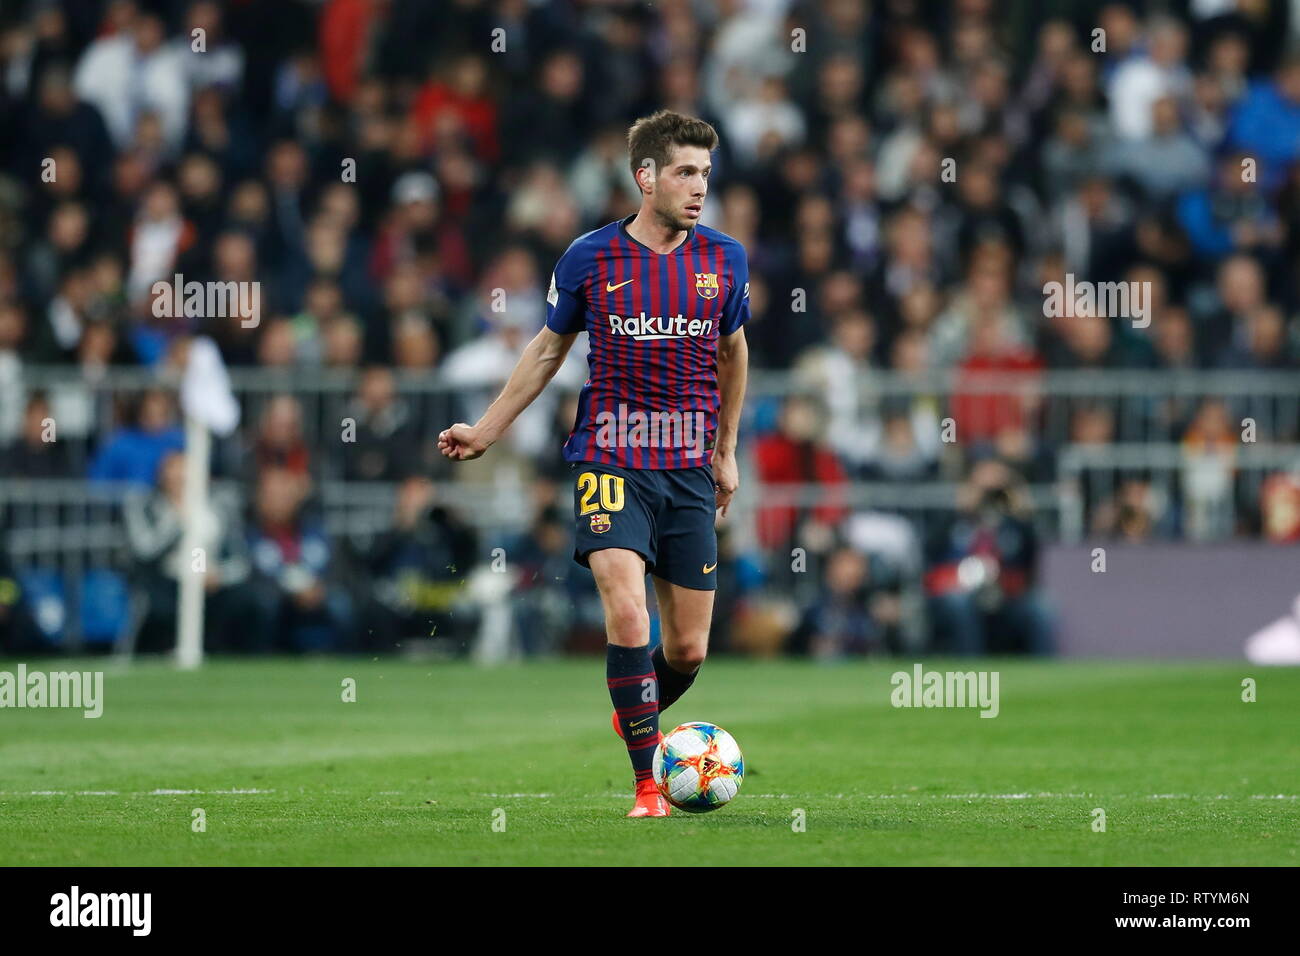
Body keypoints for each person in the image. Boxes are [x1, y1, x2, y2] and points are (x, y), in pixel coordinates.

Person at [438, 110, 750, 817]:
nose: (699, 187)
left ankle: (635, 710)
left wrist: (726, 451)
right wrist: (487, 429)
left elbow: (734, 354)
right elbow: (548, 350)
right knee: (626, 608)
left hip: (689, 466)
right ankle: (648, 784)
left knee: (691, 649)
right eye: (684, 172)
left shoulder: (724, 259)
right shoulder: (589, 258)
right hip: (610, 456)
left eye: (705, 173)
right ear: (645, 177)